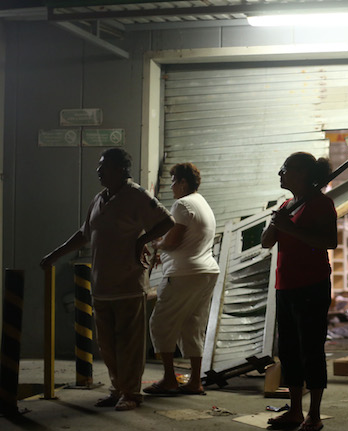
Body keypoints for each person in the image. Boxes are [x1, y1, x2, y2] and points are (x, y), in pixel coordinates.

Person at [40, 148, 174, 411]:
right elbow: (84, 234)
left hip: (128, 284)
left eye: (105, 166)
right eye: (99, 167)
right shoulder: (100, 199)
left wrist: (141, 240)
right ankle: (117, 389)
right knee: (108, 346)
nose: (99, 171)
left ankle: (132, 394)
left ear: (121, 170)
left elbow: (166, 222)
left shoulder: (136, 196)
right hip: (101, 286)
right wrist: (54, 255)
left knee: (129, 345)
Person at [261, 152, 337, 431]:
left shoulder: (321, 204)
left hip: (311, 284)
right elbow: (266, 243)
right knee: (289, 349)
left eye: (286, 169)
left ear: (304, 174)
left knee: (311, 348)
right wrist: (276, 224)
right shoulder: (288, 204)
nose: (281, 174)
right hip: (286, 284)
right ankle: (294, 410)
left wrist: (290, 227)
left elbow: (329, 241)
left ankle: (314, 414)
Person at [144, 162, 220, 396]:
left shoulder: (182, 204)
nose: (172, 186)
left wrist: (157, 244)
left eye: (174, 181)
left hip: (184, 273)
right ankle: (195, 381)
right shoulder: (203, 203)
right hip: (206, 272)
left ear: (183, 182)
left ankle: (169, 379)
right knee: (193, 324)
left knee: (160, 324)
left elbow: (173, 241)